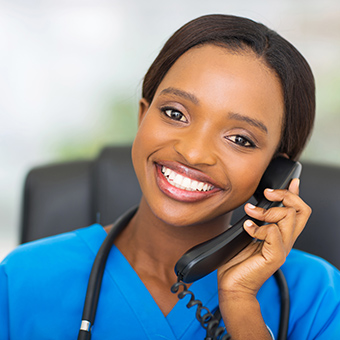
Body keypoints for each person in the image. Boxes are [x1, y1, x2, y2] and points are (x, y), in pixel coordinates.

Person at [1, 14, 339, 340]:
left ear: (274, 172)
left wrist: (240, 304)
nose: (193, 153)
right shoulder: (21, 280)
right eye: (175, 113)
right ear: (143, 116)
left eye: (240, 139)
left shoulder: (319, 298)